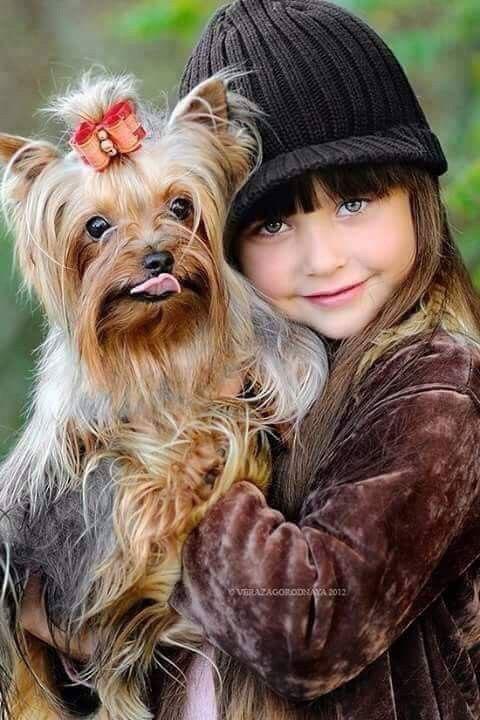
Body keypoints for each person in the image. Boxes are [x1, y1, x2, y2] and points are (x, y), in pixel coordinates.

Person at [21, 2, 480, 719]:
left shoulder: (433, 392)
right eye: (272, 222)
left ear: (419, 197)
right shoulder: (274, 376)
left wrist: (191, 474)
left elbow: (308, 628)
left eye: (355, 202)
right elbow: (63, 608)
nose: (322, 257)